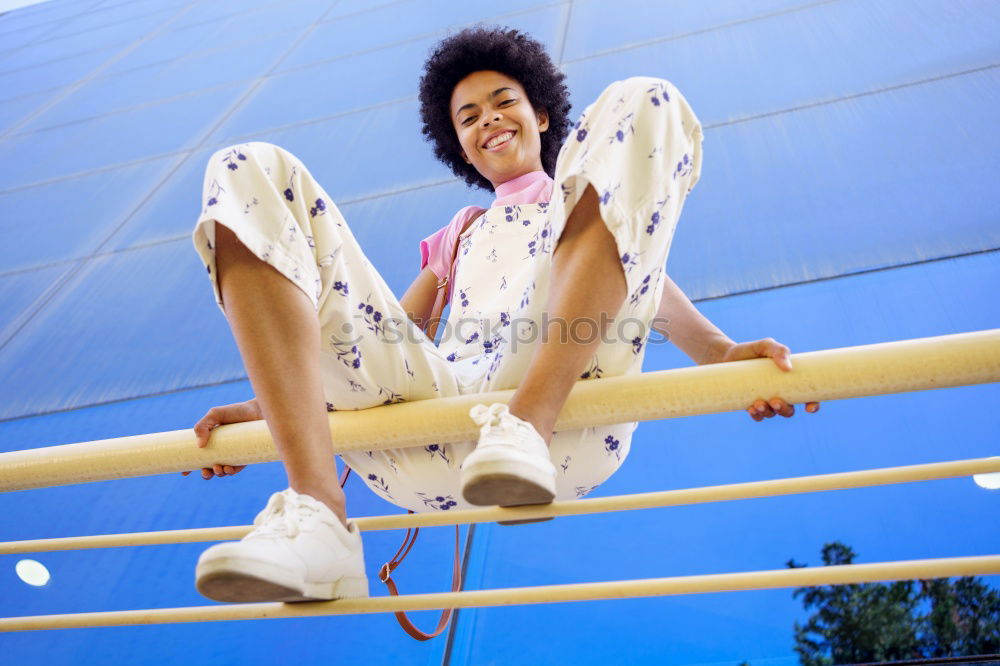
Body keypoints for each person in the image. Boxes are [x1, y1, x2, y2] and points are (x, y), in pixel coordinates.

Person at [185, 26, 820, 604]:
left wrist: (720, 356)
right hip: (428, 431)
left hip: (561, 412)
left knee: (646, 97)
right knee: (246, 168)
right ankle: (318, 514)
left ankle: (527, 426)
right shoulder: (458, 234)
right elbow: (378, 342)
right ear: (458, 145)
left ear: (541, 114)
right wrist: (265, 410)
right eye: (468, 117)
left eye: (503, 101)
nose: (488, 119)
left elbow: (646, 291)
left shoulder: (581, 207)